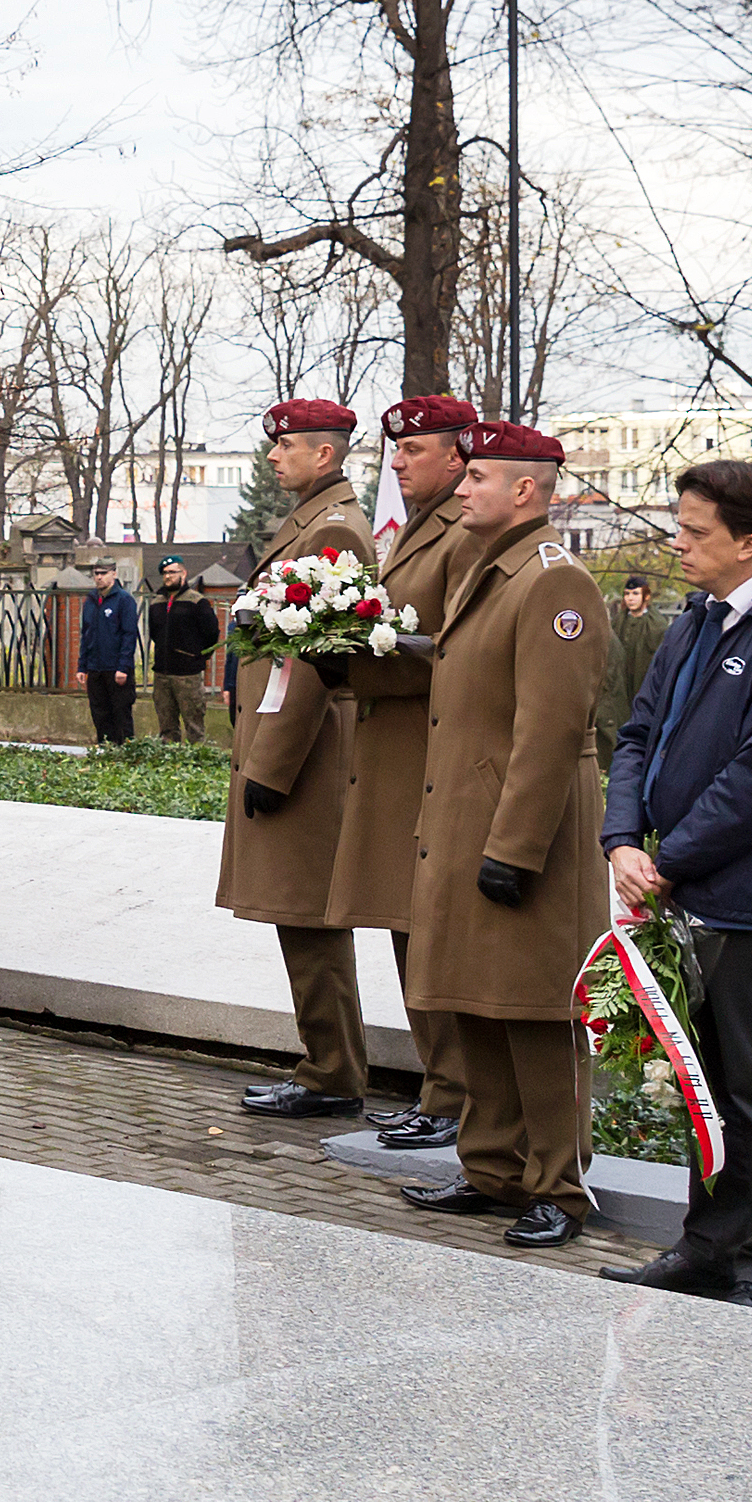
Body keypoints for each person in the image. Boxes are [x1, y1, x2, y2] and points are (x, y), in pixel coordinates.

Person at [599, 457, 752, 1316]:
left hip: (751, 898)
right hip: (680, 886)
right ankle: (707, 1248)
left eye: (695, 533)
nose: (678, 545)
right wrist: (622, 837)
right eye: (679, 526)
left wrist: (667, 859)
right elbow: (636, 734)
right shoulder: (695, 622)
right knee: (702, 1084)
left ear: (749, 543)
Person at [396, 416, 613, 1250]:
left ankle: (557, 1183)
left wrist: (514, 848)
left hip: (521, 836)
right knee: (472, 1000)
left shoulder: (553, 582)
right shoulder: (486, 570)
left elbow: (551, 730)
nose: (461, 488)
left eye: (477, 478)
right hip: (462, 822)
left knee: (531, 1011)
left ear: (525, 490)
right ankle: (490, 1167)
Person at [334, 396, 487, 1147]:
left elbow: (458, 653)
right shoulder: (419, 530)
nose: (396, 462)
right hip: (393, 752)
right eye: (396, 451)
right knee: (404, 924)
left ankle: (455, 1095)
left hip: (428, 755)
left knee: (429, 929)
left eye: (413, 450)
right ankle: (438, 1087)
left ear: (459, 457)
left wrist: (358, 649)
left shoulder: (465, 533)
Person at [222, 399, 378, 1119]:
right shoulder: (310, 522)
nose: (272, 457)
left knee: (309, 916)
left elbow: (311, 660)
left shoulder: (334, 527)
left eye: (285, 446)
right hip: (288, 749)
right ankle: (327, 1064)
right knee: (300, 916)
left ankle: (332, 1072)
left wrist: (271, 765)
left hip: (304, 757)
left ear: (325, 454)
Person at [589, 573, 665, 776]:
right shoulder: (617, 623)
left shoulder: (657, 626)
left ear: (646, 596)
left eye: (635, 593)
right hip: (619, 691)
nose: (631, 598)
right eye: (627, 594)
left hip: (644, 688)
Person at [148, 557, 219, 742]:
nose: (168, 577)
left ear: (184, 573)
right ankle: (171, 762)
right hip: (162, 672)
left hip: (188, 674)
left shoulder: (197, 602)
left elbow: (211, 634)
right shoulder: (156, 603)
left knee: (194, 724)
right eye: (165, 573)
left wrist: (198, 657)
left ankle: (196, 762)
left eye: (172, 572)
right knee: (166, 726)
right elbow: (155, 632)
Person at [74, 556, 141, 745]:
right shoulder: (91, 600)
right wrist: (82, 666)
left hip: (115, 668)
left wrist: (123, 667)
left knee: (120, 714)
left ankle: (125, 754)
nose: (99, 578)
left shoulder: (124, 600)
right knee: (99, 714)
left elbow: (129, 635)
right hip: (95, 668)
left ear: (114, 574)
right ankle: (105, 752)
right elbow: (86, 634)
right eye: (96, 574)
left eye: (103, 573)